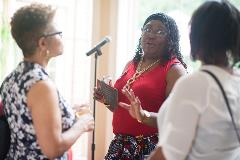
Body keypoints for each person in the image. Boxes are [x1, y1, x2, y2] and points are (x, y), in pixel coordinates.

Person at [121, 1, 240, 160]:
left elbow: (168, 154)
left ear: (197, 37)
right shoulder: (236, 80)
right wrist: (144, 116)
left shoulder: (195, 83)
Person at [0, 3, 94, 159]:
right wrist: (82, 124)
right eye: (58, 32)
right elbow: (53, 149)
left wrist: (68, 110)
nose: (61, 36)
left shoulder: (11, 78)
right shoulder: (41, 85)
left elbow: (30, 121)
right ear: (42, 43)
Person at [94, 13, 187, 159]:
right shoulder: (131, 64)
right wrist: (107, 99)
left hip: (149, 147)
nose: (151, 35)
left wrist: (145, 116)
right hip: (120, 144)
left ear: (170, 40)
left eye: (160, 31)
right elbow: (122, 109)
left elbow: (178, 120)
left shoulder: (174, 70)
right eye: (147, 29)